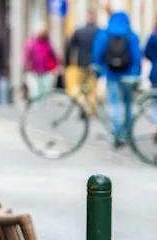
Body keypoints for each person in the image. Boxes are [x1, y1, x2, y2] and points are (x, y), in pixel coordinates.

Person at [93, 10, 142, 146]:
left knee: (114, 103)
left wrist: (98, 72)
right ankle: (127, 132)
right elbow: (137, 56)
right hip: (128, 75)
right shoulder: (131, 35)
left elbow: (98, 54)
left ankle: (116, 132)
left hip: (111, 74)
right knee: (127, 104)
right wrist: (136, 74)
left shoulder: (105, 34)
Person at [65, 10, 102, 112]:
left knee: (80, 86)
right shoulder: (99, 31)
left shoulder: (79, 31)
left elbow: (70, 47)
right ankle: (91, 110)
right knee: (93, 87)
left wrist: (68, 63)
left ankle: (81, 105)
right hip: (94, 63)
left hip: (81, 62)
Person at [23, 28, 59, 100]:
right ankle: (36, 106)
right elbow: (26, 55)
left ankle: (44, 107)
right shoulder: (32, 43)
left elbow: (54, 55)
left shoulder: (47, 43)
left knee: (46, 90)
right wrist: (25, 65)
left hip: (47, 70)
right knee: (35, 90)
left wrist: (56, 65)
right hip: (34, 71)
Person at [142, 17, 157, 140]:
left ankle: (156, 126)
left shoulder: (153, 36)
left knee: (155, 103)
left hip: (155, 73)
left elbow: (146, 53)